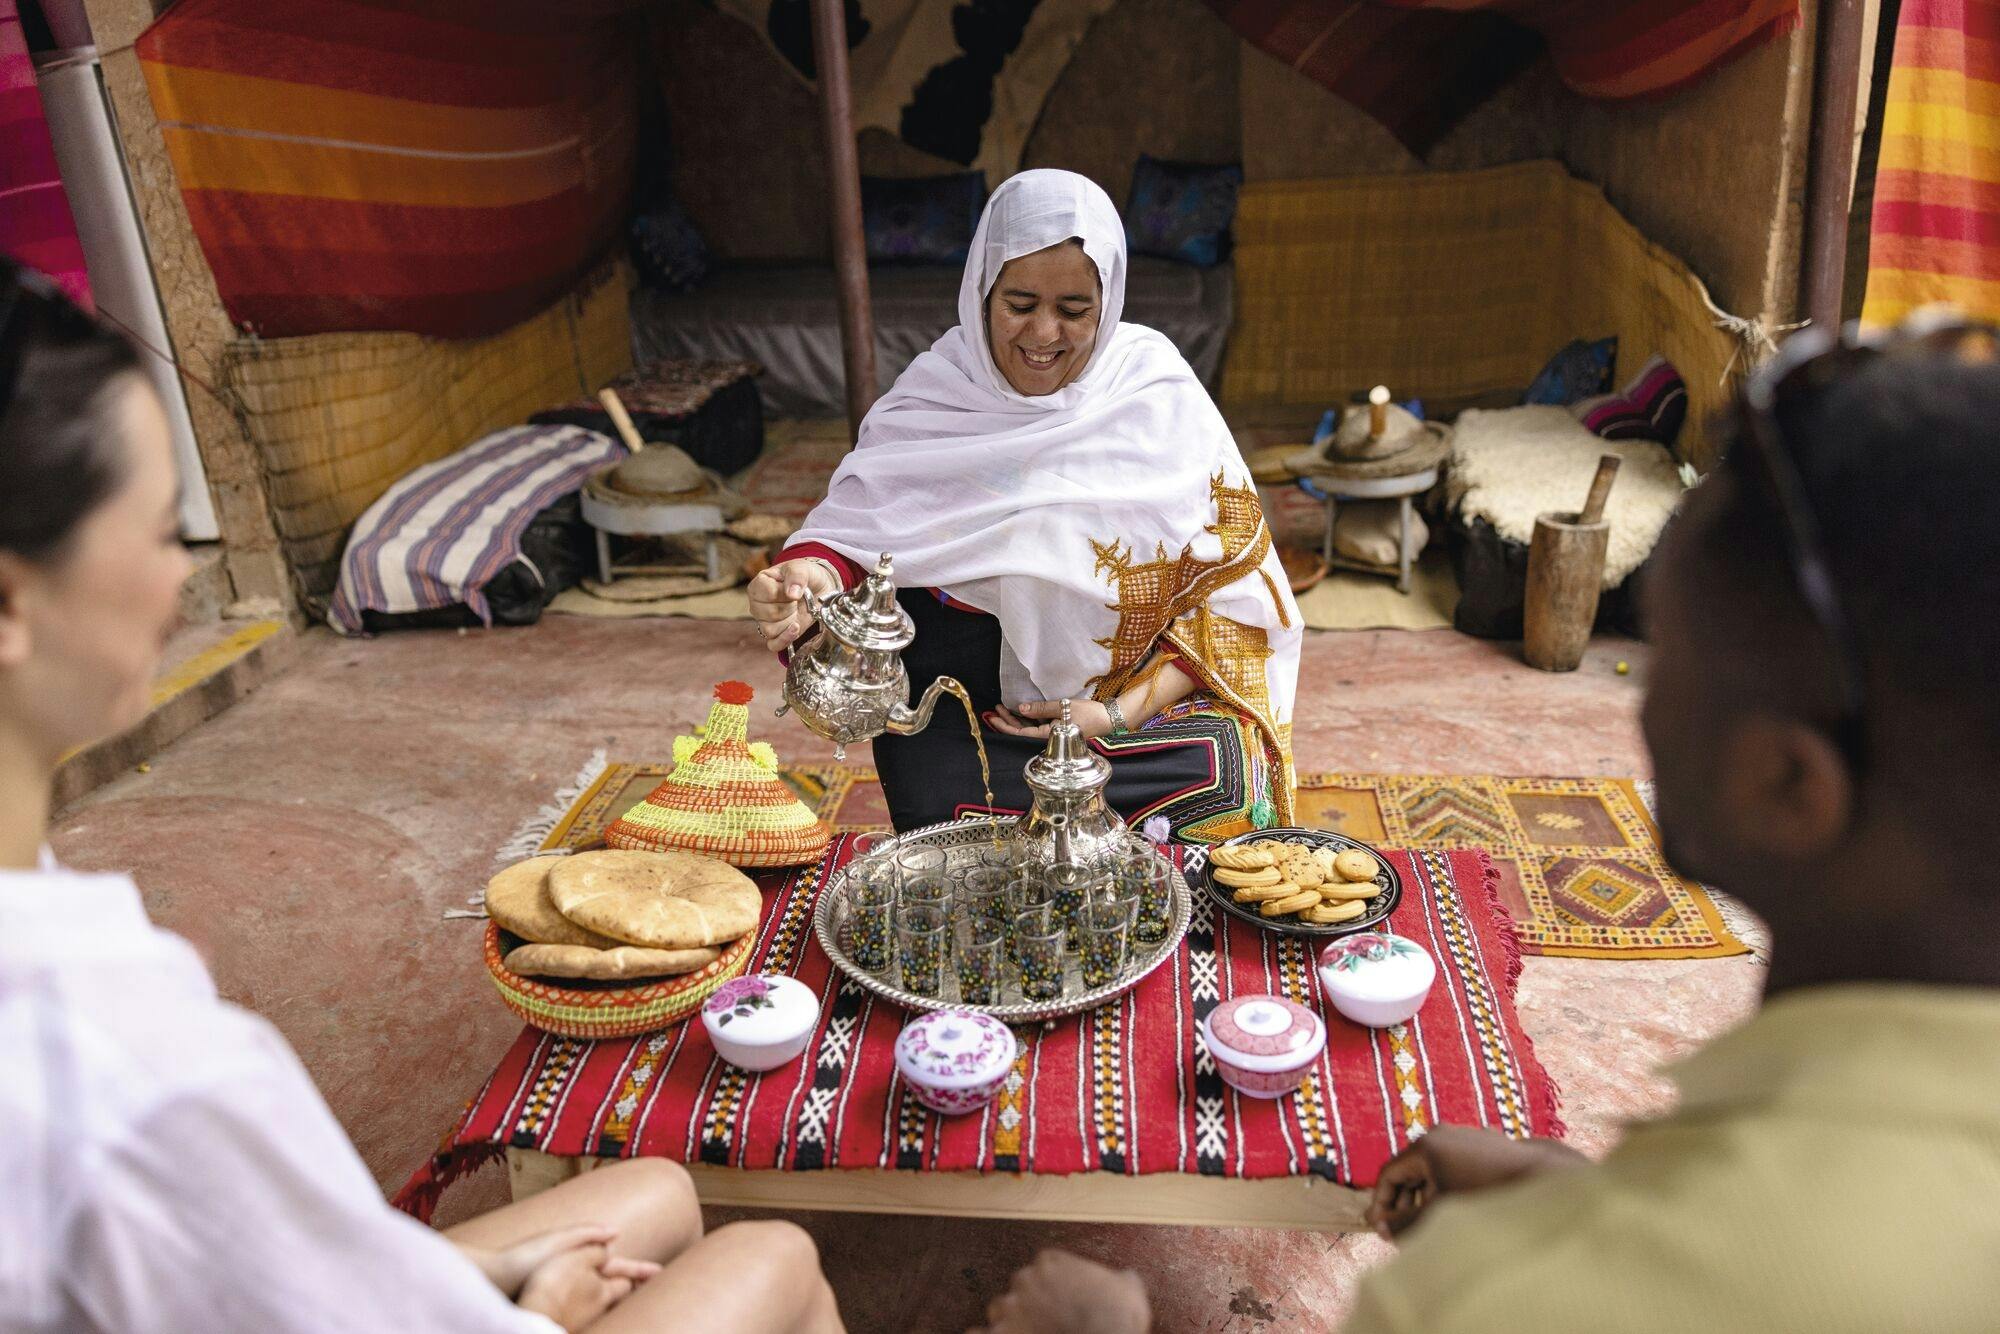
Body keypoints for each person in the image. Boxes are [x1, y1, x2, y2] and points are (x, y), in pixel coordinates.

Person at [977, 315, 2000, 1331]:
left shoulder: (1494, 1299)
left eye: (1669, 665)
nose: (1636, 706)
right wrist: (1572, 1195)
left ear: (1786, 784)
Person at [0, 261, 843, 1334]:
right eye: (165, 529)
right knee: (770, 1255)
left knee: (658, 1186)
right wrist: (537, 1303)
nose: (180, 578)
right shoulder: (121, 1057)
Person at [751, 170, 1301, 839]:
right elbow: (858, 529)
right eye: (1019, 303)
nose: (1043, 335)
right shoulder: (936, 397)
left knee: (1228, 778)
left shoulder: (1155, 394)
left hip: (1119, 725)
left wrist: (1115, 716)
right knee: (952, 833)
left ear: (1110, 301)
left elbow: (1239, 598)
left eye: (1074, 310)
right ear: (982, 291)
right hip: (974, 725)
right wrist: (813, 577)